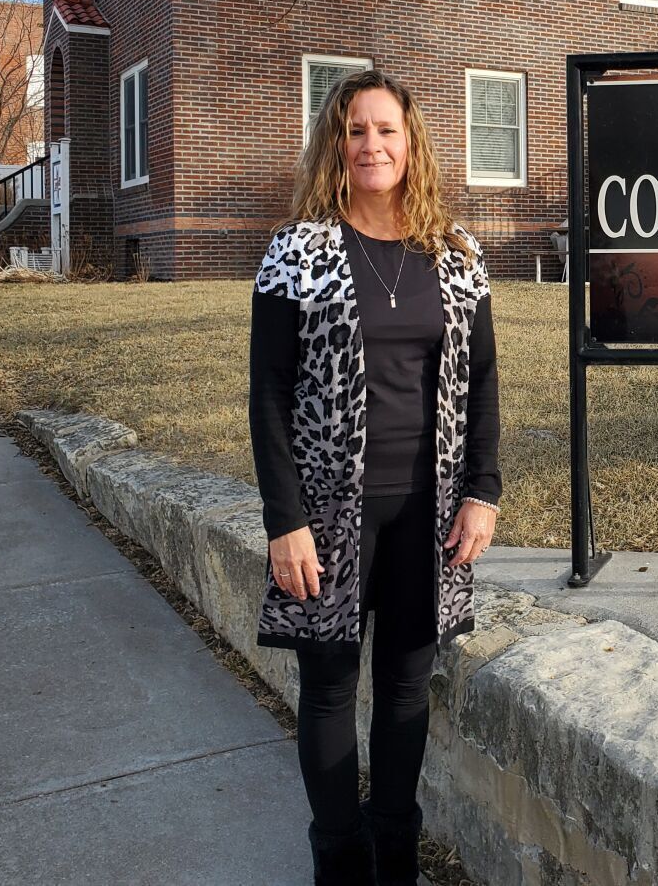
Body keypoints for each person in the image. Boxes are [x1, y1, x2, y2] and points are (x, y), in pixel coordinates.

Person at [248, 70, 501, 885]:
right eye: (356, 130)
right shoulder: (299, 251)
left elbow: (485, 381)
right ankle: (339, 862)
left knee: (404, 686)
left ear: (411, 140)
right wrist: (284, 519)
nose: (372, 145)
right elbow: (269, 391)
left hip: (429, 513)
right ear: (336, 143)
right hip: (327, 511)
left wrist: (483, 490)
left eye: (386, 130)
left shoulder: (458, 255)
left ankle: (395, 855)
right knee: (327, 687)